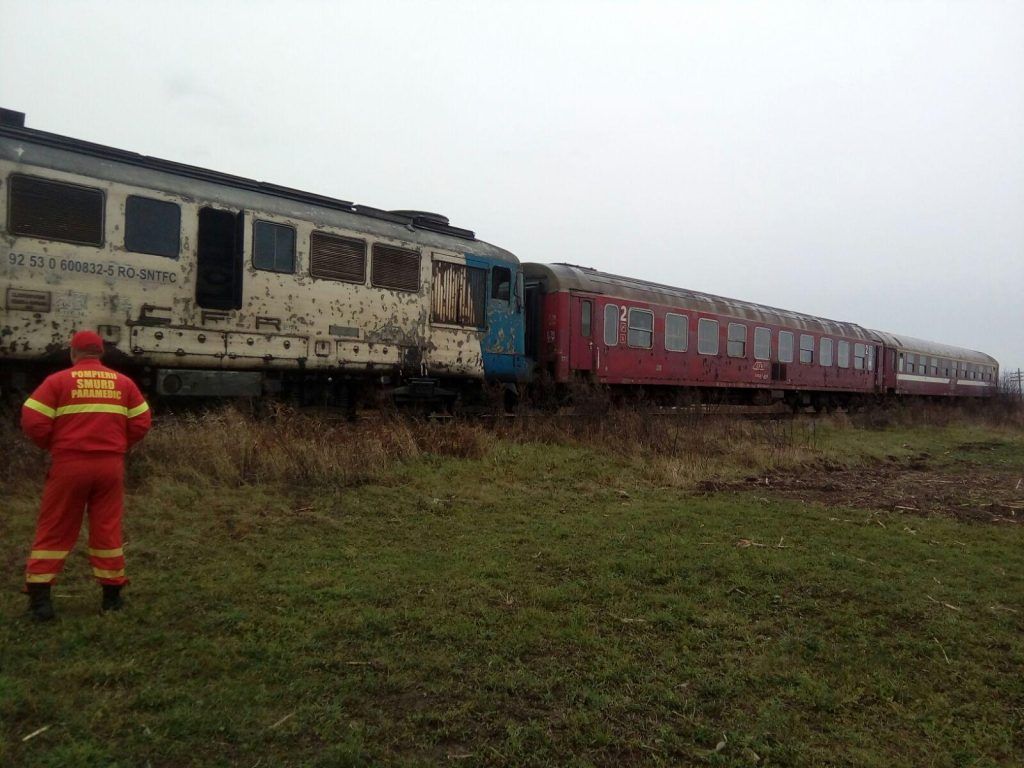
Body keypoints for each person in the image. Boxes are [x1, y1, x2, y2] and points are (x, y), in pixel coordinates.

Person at [20, 330, 152, 621]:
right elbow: (142, 421)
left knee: (56, 527)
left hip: (69, 464)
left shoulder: (58, 381)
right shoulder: (124, 383)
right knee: (107, 527)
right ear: (101, 353)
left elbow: (32, 418)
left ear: (73, 353)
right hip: (110, 467)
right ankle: (112, 599)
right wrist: (119, 444)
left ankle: (41, 603)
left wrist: (53, 443)